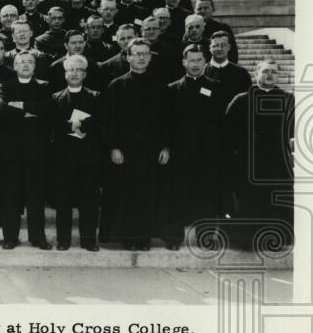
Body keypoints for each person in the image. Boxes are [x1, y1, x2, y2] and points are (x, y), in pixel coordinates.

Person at [100, 38, 171, 250]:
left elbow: (168, 120)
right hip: (124, 151)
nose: (140, 58)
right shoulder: (117, 85)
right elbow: (108, 120)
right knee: (125, 195)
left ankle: (144, 237)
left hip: (150, 151)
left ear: (150, 57)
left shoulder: (160, 85)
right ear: (128, 57)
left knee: (147, 195)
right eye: (136, 54)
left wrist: (166, 147)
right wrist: (113, 147)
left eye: (144, 54)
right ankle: (126, 237)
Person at [224, 59, 295, 250]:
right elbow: (227, 132)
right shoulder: (241, 99)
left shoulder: (288, 100)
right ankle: (246, 242)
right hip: (248, 163)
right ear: (256, 74)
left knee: (276, 202)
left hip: (277, 163)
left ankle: (276, 241)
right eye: (265, 71)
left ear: (278, 75)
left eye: (273, 71)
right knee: (249, 203)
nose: (269, 75)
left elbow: (295, 129)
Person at [162, 45, 226, 250]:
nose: (195, 64)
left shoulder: (216, 87)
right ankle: (174, 238)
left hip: (208, 152)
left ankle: (205, 238)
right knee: (177, 194)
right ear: (184, 62)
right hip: (180, 152)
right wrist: (167, 147)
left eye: (199, 60)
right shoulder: (172, 88)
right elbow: (166, 122)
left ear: (205, 62)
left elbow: (221, 121)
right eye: (191, 60)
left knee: (206, 195)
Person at [0, 51, 55, 249]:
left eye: (30, 62)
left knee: (35, 196)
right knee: (10, 196)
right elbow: (2, 109)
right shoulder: (6, 85)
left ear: (35, 66)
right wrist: (30, 111)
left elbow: (47, 110)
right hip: (11, 152)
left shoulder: (44, 86)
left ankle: (37, 237)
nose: (27, 65)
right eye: (22, 62)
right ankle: (10, 237)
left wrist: (19, 105)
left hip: (37, 151)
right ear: (15, 65)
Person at [51, 55, 102, 251]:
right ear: (65, 74)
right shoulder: (55, 98)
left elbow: (99, 121)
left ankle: (88, 240)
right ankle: (63, 240)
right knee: (63, 201)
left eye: (78, 70)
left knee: (89, 200)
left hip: (88, 158)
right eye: (71, 70)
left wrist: (82, 124)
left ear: (85, 74)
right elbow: (53, 123)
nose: (74, 73)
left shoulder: (95, 96)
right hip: (64, 158)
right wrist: (71, 125)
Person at [205, 31, 252, 107]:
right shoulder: (201, 72)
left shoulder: (242, 73)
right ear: (210, 48)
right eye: (215, 45)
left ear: (229, 47)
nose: (219, 49)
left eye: (223, 45)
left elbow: (246, 100)